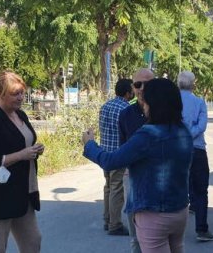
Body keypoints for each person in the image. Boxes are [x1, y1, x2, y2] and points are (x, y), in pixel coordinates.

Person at [83, 78, 193, 253]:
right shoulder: (184, 131)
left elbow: (110, 161)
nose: (143, 104)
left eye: (145, 101)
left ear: (152, 104)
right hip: (179, 210)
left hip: (153, 214)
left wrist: (89, 144)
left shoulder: (147, 136)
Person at [0, 71, 44, 253]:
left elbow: (24, 143)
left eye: (22, 92)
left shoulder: (21, 115)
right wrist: (22, 154)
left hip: (23, 192)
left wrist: (34, 151)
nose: (21, 97)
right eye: (15, 93)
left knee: (33, 242)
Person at [118, 68, 154, 253]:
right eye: (138, 84)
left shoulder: (164, 112)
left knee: (157, 233)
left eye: (147, 84)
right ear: (133, 87)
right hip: (132, 175)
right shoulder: (125, 115)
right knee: (135, 233)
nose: (142, 88)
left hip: (158, 176)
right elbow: (122, 147)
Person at [178, 71, 213, 242]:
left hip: (176, 150)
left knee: (176, 189)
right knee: (201, 190)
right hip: (197, 149)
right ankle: (202, 229)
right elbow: (202, 126)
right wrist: (189, 134)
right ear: (193, 84)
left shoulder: (172, 101)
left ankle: (173, 230)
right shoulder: (199, 102)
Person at [99, 79, 134, 235]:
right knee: (116, 189)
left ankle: (107, 220)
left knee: (108, 187)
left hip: (104, 154)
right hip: (118, 155)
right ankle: (115, 224)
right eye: (132, 89)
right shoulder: (126, 109)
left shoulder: (105, 106)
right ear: (127, 93)